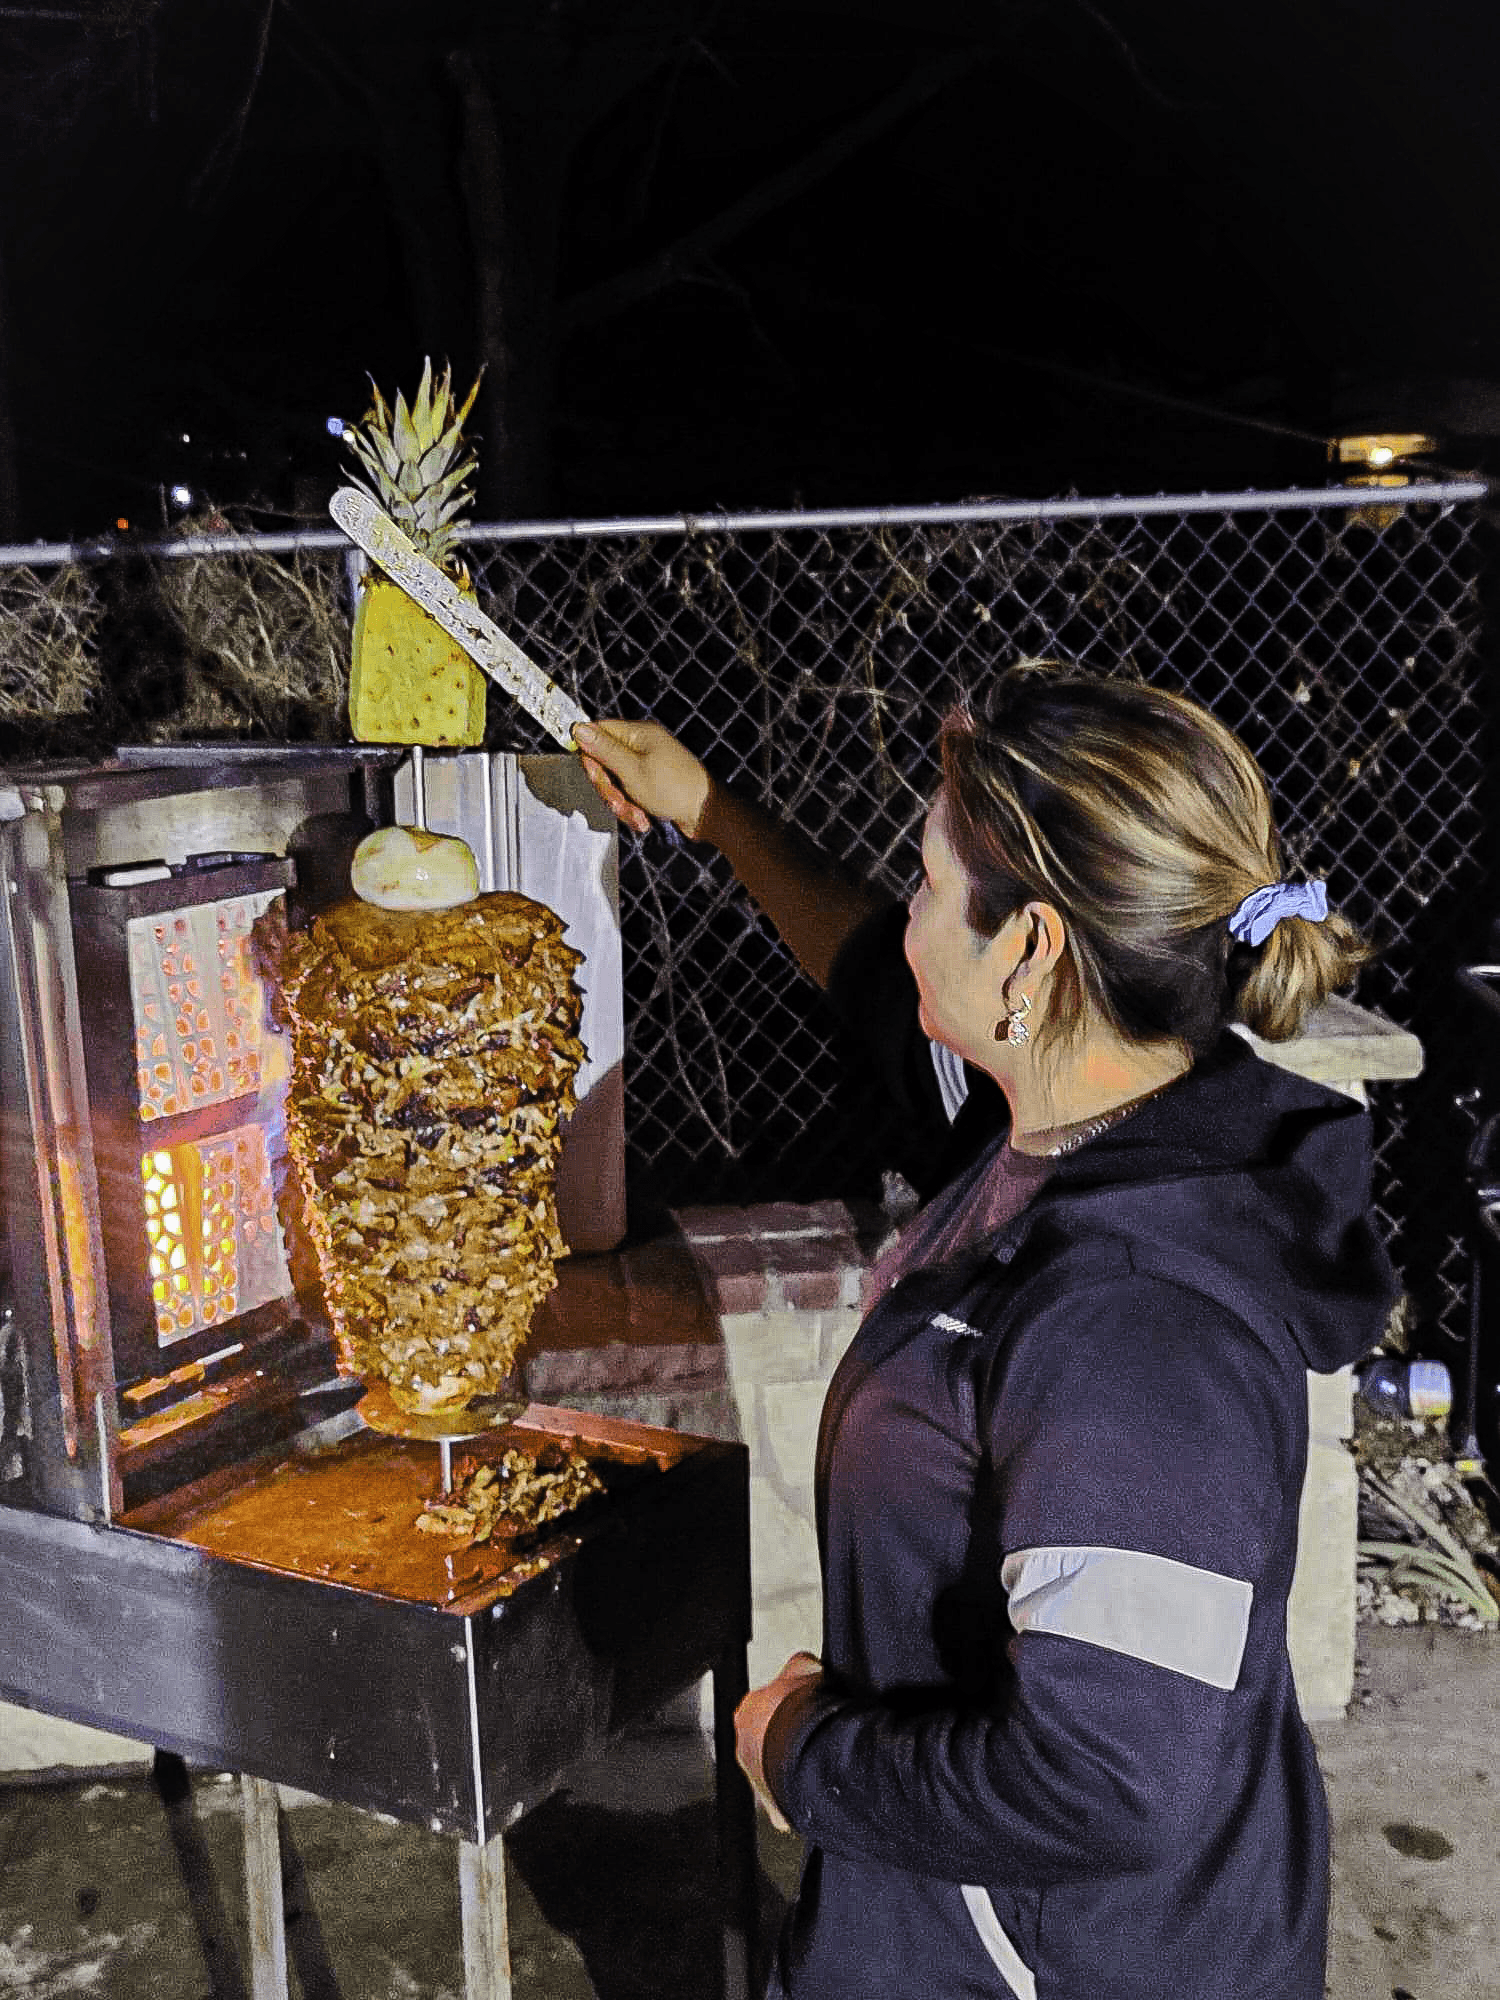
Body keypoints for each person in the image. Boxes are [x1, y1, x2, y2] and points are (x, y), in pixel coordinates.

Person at [573, 664, 1398, 2000]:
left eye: (928, 888)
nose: (907, 921)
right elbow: (861, 969)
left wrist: (803, 1755)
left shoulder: (1141, 1324)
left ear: (1031, 950)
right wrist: (712, 810)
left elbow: (1110, 1782)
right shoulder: (1074, 1128)